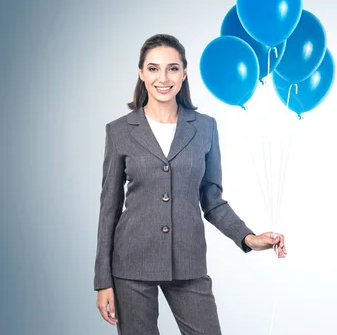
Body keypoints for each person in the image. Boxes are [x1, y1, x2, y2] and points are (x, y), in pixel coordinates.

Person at [94, 33, 286, 334]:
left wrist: (248, 238)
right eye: (154, 68)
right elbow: (109, 210)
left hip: (188, 260)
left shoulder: (205, 128)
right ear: (142, 74)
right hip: (130, 264)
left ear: (183, 74)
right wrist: (102, 281)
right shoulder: (119, 131)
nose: (163, 77)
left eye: (172, 68)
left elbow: (212, 199)